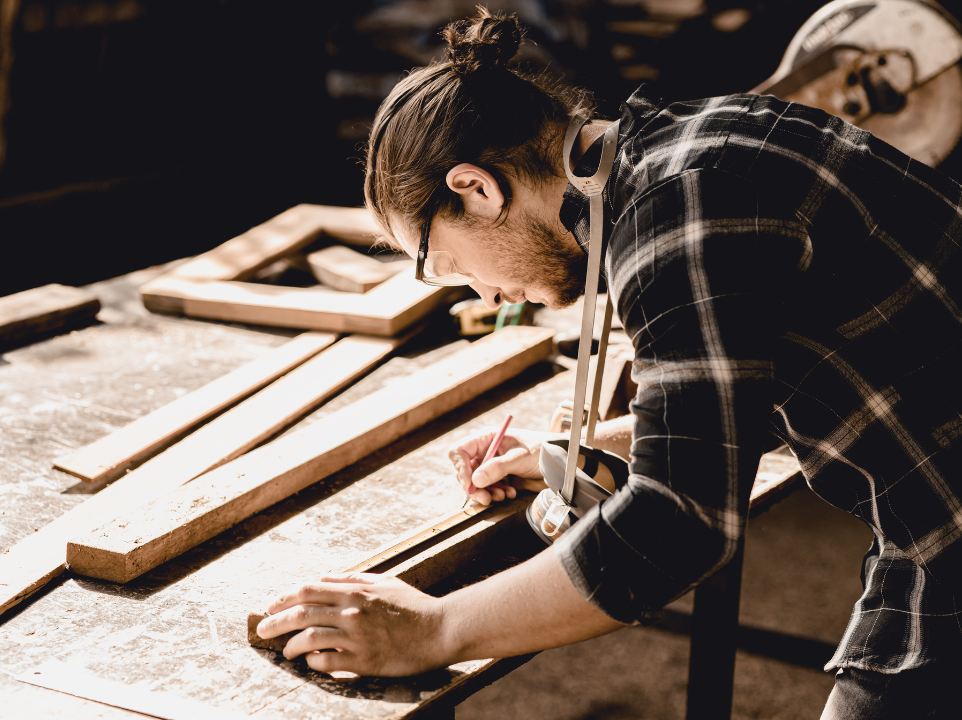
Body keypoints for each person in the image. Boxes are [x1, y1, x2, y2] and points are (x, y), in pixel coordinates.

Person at [255, 9, 962, 717]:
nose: (483, 294)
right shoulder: (694, 142)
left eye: (442, 265)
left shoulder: (677, 216)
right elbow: (752, 379)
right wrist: (600, 442)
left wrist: (434, 628)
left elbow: (678, 522)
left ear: (477, 188)